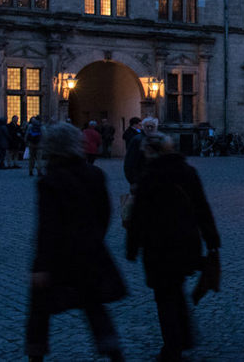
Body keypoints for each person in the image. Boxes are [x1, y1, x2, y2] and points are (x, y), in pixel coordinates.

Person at [25, 122, 126, 362]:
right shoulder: (95, 174)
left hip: (58, 257)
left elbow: (47, 227)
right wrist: (94, 238)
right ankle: (115, 354)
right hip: (90, 252)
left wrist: (40, 266)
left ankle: (35, 355)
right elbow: (105, 212)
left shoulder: (50, 181)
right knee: (95, 307)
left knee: (39, 312)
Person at [126, 133, 220, 362]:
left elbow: (138, 217)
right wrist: (212, 242)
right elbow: (202, 208)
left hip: (158, 247)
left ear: (151, 151)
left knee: (165, 296)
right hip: (186, 243)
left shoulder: (149, 177)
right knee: (175, 289)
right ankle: (184, 337)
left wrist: (132, 246)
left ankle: (172, 348)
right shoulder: (188, 172)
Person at [124, 117, 158, 188]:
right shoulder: (137, 140)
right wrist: (132, 181)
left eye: (151, 126)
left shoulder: (160, 140)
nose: (149, 128)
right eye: (147, 126)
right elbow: (130, 162)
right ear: (143, 127)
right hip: (141, 177)